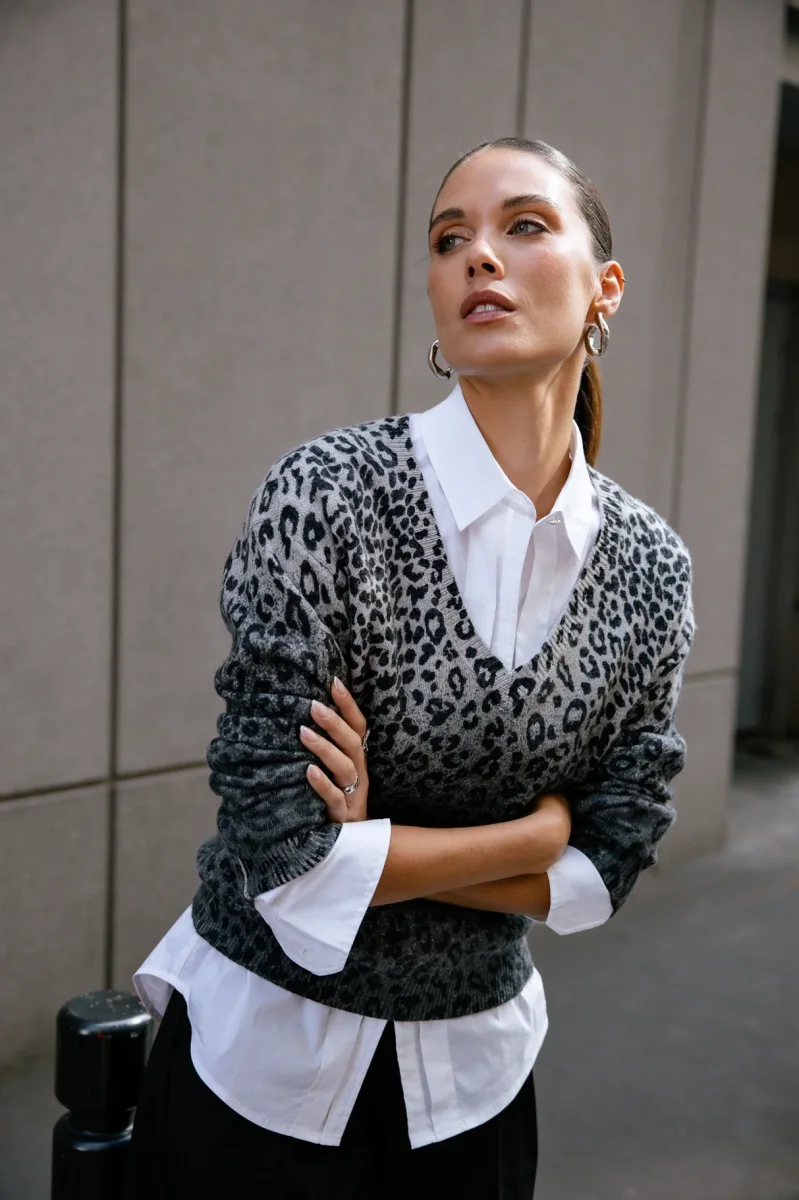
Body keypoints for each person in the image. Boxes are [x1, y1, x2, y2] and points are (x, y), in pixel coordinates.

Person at [126, 137, 696, 1199]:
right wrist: (533, 837)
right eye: (448, 239)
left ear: (604, 288)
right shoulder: (326, 497)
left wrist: (372, 846)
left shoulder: (650, 570)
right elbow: (282, 859)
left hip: (476, 1088)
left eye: (523, 225)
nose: (478, 254)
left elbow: (609, 865)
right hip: (258, 1068)